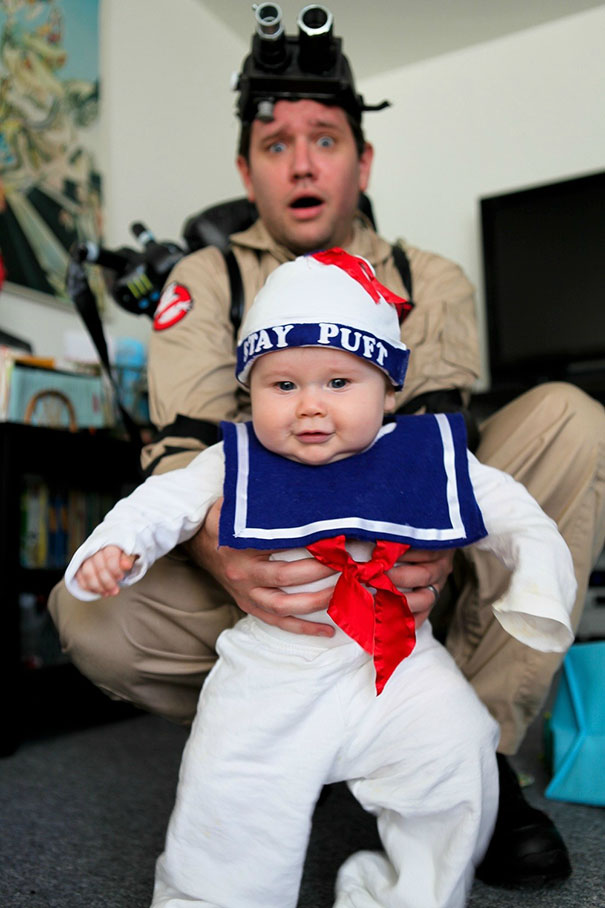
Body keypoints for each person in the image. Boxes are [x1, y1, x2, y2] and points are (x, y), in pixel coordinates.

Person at [49, 5, 605, 889]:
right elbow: (189, 458)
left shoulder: (430, 276)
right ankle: (290, 735)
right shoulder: (205, 279)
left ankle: (473, 753)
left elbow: (434, 444)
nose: (302, 162)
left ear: (362, 159)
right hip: (268, 581)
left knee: (573, 415)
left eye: (325, 138)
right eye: (275, 145)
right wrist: (220, 550)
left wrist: (421, 547)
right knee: (87, 610)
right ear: (245, 167)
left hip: (411, 563)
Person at [65, 250, 576, 908]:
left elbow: (517, 518)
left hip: (398, 663)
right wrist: (115, 547)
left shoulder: (421, 454)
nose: (309, 406)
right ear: (251, 392)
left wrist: (534, 584)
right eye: (282, 386)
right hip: (273, 669)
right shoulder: (236, 459)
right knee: (229, 799)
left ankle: (412, 895)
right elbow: (158, 505)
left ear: (388, 390)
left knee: (457, 754)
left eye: (339, 383)